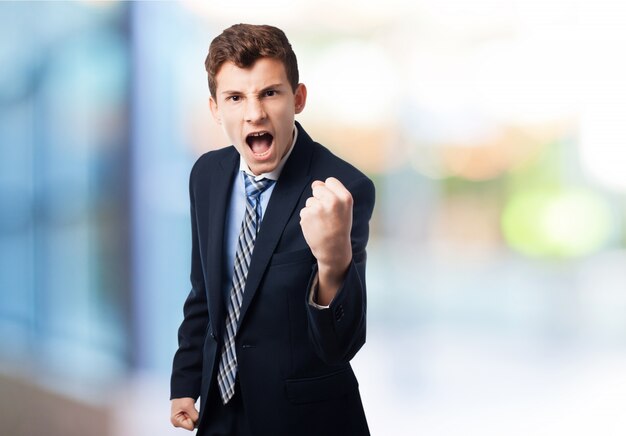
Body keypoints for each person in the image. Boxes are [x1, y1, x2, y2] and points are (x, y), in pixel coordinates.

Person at [169, 23, 375, 436]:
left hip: (304, 420)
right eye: (235, 97)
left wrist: (334, 262)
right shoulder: (206, 175)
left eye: (270, 93)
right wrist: (186, 381)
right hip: (219, 411)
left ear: (297, 99)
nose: (254, 113)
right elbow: (204, 293)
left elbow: (341, 345)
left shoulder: (342, 189)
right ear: (215, 109)